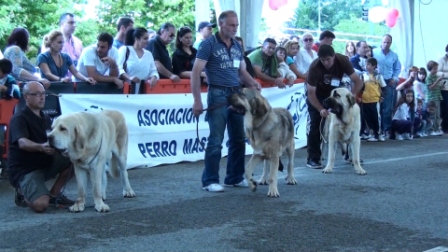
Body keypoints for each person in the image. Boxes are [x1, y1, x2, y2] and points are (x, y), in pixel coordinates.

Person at [191, 10, 261, 192]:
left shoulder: (238, 47)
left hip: (237, 95)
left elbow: (242, 72)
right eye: (231, 25)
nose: (235, 28)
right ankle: (210, 180)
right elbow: (196, 73)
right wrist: (197, 101)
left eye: (236, 25)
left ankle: (234, 177)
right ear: (221, 24)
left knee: (238, 138)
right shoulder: (208, 44)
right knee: (216, 139)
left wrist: (252, 82)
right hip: (218, 94)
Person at [8, 81, 75, 213]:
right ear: (26, 97)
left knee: (76, 157)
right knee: (40, 205)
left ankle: (54, 195)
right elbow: (22, 142)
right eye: (37, 94)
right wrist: (41, 147)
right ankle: (22, 192)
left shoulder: (46, 118)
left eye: (44, 94)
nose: (42, 97)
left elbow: (55, 139)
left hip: (44, 163)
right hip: (25, 170)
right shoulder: (19, 118)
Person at [305, 44, 363, 168]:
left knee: (346, 121)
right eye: (323, 60)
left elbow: (358, 81)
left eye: (328, 59)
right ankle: (313, 158)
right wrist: (320, 109)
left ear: (334, 56)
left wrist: (350, 97)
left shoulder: (342, 61)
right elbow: (311, 93)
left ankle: (349, 154)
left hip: (335, 93)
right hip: (317, 94)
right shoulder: (315, 67)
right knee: (316, 122)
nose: (326, 62)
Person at [373, 34, 402, 138]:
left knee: (388, 107)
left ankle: (387, 129)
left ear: (391, 43)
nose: (386, 44)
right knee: (377, 107)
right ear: (381, 42)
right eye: (384, 42)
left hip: (389, 82)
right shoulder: (374, 52)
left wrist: (394, 78)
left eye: (388, 42)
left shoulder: (394, 55)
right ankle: (377, 130)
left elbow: (397, 68)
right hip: (376, 82)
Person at [116, 27, 159, 94]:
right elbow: (118, 68)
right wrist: (129, 77)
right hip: (125, 91)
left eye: (148, 38)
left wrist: (154, 77)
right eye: (145, 38)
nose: (148, 41)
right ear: (137, 39)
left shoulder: (148, 54)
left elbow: (153, 70)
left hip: (143, 92)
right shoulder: (125, 50)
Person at [360, 58, 387, 142]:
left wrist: (382, 97)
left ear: (374, 66)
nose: (366, 66)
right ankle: (372, 134)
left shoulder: (378, 76)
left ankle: (379, 134)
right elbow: (360, 88)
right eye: (365, 65)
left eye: (368, 65)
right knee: (367, 118)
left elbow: (384, 88)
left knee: (377, 118)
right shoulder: (363, 75)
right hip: (364, 101)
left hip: (375, 100)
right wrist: (360, 97)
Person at [425, 60, 444, 136]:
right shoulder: (428, 78)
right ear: (430, 69)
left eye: (437, 68)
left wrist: (441, 85)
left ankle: (437, 128)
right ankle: (431, 129)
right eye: (434, 69)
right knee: (432, 114)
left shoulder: (436, 77)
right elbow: (431, 87)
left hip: (437, 97)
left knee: (437, 114)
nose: (436, 70)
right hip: (431, 98)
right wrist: (437, 81)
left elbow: (437, 87)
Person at [437, 44, 448, 133]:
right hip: (444, 87)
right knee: (445, 108)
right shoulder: (441, 60)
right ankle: (445, 127)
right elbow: (437, 73)